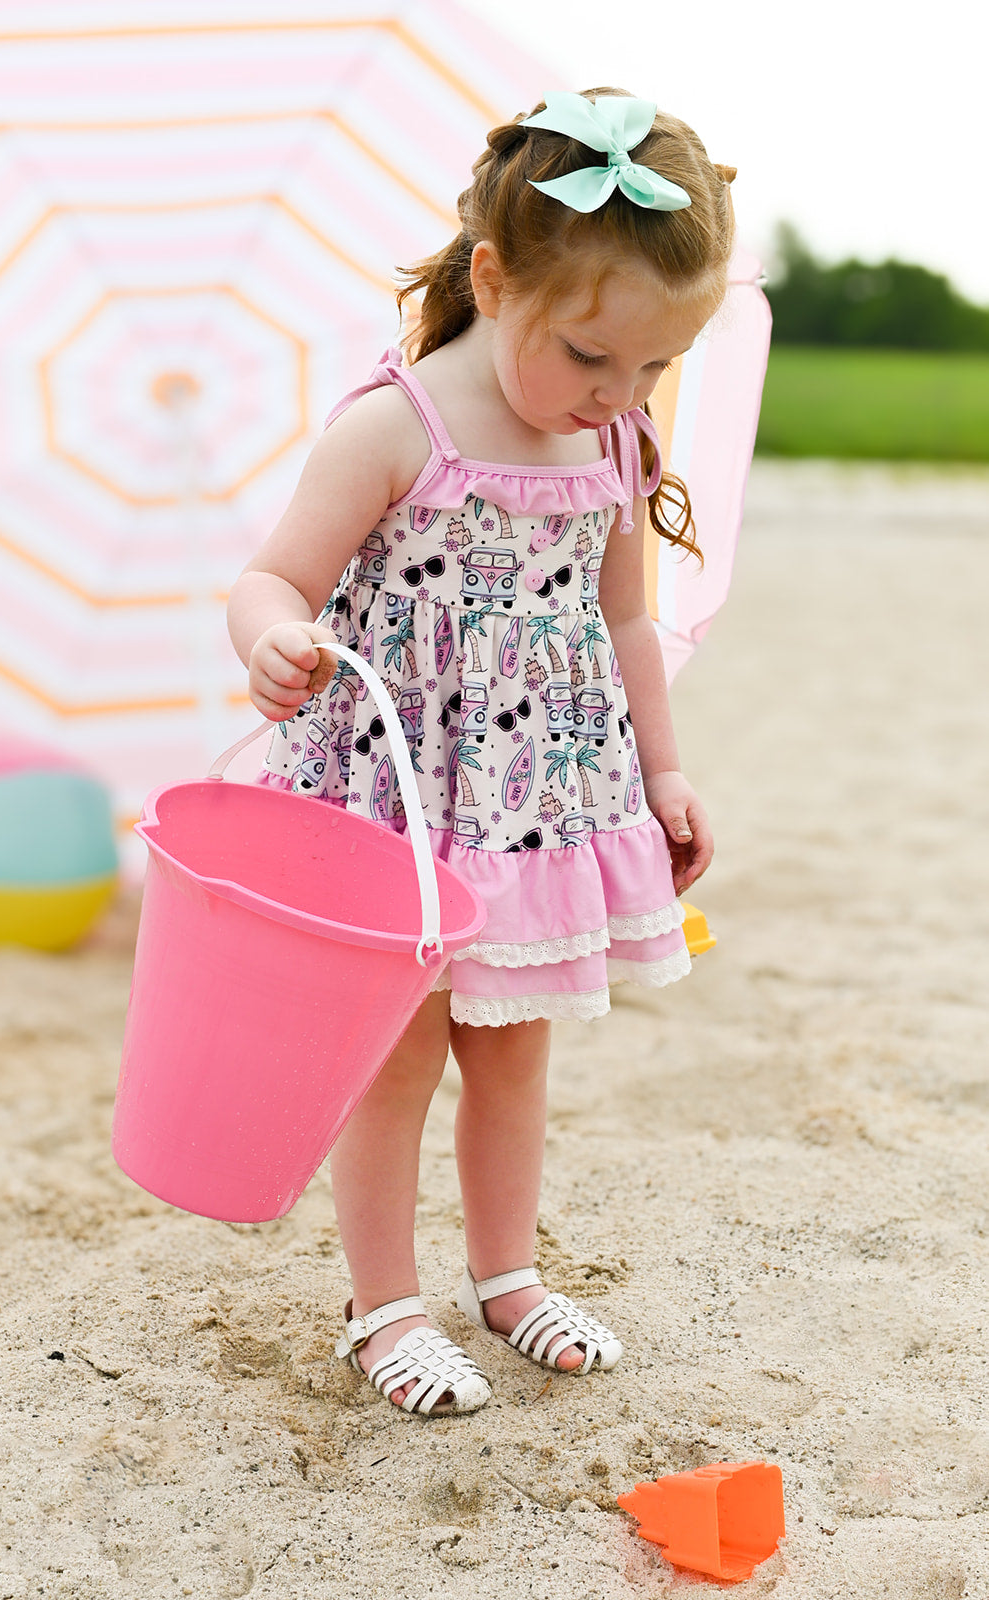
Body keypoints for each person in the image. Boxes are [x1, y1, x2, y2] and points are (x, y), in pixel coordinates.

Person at [227, 88, 735, 1416]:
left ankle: (505, 1276)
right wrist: (273, 639)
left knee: (514, 1045)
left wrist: (662, 771)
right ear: (497, 278)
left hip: (539, 802)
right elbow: (273, 577)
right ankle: (383, 1305)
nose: (619, 397)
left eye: (652, 369)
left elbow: (624, 614)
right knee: (393, 1054)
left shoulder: (612, 438)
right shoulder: (397, 429)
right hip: (397, 799)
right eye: (588, 357)